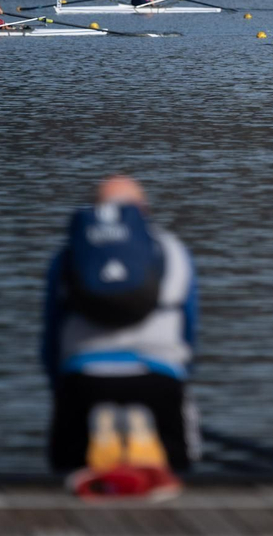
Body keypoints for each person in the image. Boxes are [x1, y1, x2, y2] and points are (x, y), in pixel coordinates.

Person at [41, 176, 198, 475]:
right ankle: (161, 453)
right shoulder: (172, 250)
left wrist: (60, 388)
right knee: (180, 464)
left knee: (65, 465)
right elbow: (188, 330)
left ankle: (86, 453)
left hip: (83, 377)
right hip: (158, 375)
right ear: (143, 212)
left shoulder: (68, 255)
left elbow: (51, 336)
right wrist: (182, 377)